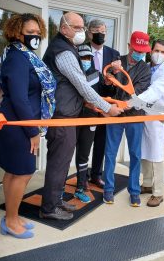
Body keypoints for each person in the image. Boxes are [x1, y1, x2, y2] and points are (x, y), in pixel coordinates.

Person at [40, 12, 123, 221]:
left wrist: (88, 104)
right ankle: (49, 208)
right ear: (64, 28)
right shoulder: (63, 52)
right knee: (59, 164)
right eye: (77, 28)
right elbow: (82, 85)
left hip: (67, 115)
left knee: (62, 161)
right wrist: (106, 108)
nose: (81, 32)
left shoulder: (67, 48)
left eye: (82, 28)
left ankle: (56, 201)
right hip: (62, 117)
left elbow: (74, 88)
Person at [0, 13, 56, 238]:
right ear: (17, 32)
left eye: (38, 33)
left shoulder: (24, 56)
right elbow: (20, 98)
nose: (35, 36)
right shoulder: (17, 57)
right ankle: (11, 221)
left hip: (17, 122)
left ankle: (11, 215)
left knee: (14, 172)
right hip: (18, 125)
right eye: (30, 32)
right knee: (23, 173)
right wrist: (33, 132)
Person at [103, 31, 151, 207]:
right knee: (110, 153)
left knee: (135, 155)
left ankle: (134, 192)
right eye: (136, 50)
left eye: (142, 51)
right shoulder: (117, 62)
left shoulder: (145, 69)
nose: (139, 54)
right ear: (129, 47)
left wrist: (126, 104)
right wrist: (111, 75)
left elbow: (138, 92)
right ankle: (108, 190)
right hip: (115, 115)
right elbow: (107, 85)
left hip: (135, 116)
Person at [138, 39, 164, 207]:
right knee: (145, 149)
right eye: (156, 50)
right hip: (144, 113)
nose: (159, 54)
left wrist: (135, 101)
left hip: (158, 115)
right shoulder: (146, 67)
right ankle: (147, 183)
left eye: (163, 52)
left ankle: (158, 193)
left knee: (157, 154)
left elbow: (155, 91)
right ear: (151, 50)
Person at [87, 19, 121, 188]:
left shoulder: (114, 54)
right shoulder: (81, 51)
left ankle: (96, 174)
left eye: (103, 31)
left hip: (106, 106)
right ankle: (81, 176)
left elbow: (119, 81)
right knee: (84, 142)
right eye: (96, 30)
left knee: (101, 142)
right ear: (89, 33)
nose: (100, 34)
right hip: (86, 105)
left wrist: (113, 78)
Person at [74, 44, 99, 203]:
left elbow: (100, 95)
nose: (86, 60)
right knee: (65, 154)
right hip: (73, 118)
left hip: (90, 118)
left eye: (89, 57)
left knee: (84, 154)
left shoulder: (95, 74)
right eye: (83, 57)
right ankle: (59, 188)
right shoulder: (72, 73)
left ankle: (81, 187)